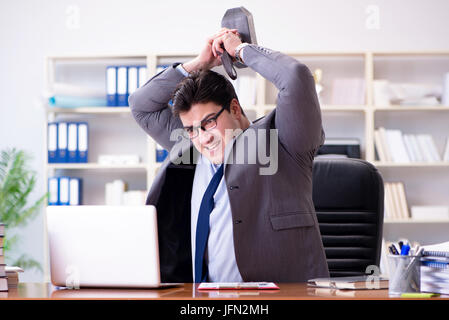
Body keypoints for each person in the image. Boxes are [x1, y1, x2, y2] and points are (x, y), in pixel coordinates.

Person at [129, 28, 329, 283]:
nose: (203, 137)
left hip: (280, 297)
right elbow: (141, 105)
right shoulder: (189, 149)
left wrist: (241, 50)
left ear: (234, 108)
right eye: (192, 129)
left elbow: (296, 77)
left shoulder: (283, 142)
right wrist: (200, 64)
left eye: (210, 122)